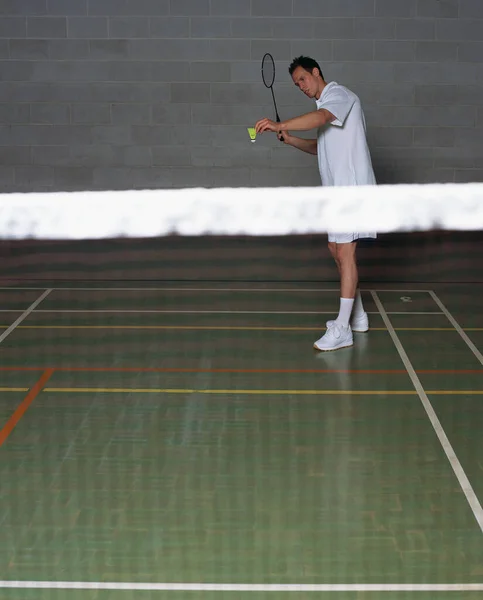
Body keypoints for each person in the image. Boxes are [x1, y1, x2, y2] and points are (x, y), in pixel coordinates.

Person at [255, 55, 377, 352]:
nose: (301, 86)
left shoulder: (339, 96)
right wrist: (290, 138)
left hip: (351, 190)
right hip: (337, 193)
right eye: (297, 84)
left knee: (345, 252)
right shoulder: (324, 108)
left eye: (303, 79)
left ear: (316, 72)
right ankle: (357, 317)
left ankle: (342, 329)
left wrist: (278, 123)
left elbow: (320, 120)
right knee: (335, 248)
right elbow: (318, 146)